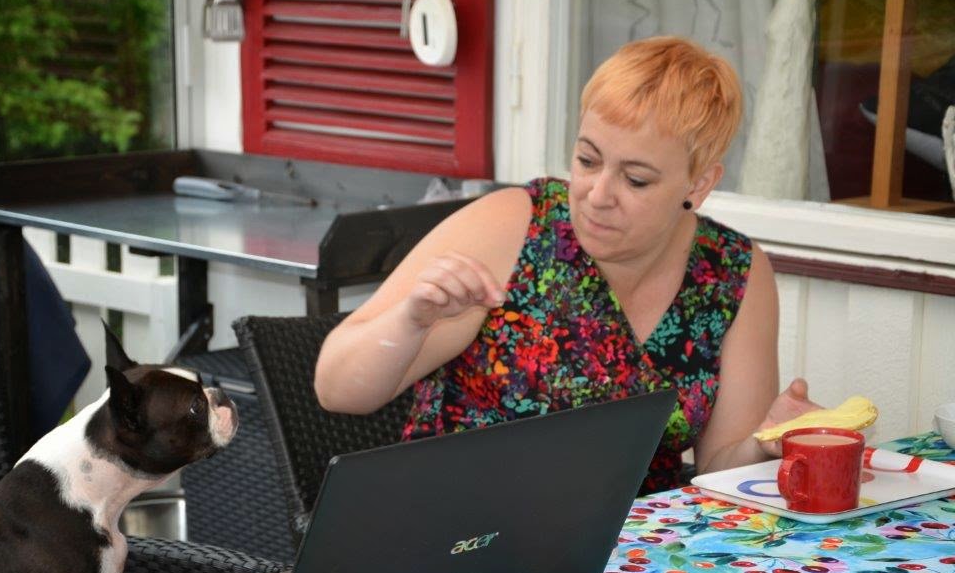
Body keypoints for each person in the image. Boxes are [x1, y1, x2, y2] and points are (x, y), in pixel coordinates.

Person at [314, 36, 819, 493]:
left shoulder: (732, 272)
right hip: (458, 530)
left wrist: (768, 442)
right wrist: (410, 322)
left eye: (636, 180)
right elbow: (336, 391)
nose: (597, 195)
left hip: (628, 547)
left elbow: (720, 476)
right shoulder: (514, 226)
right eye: (588, 160)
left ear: (699, 184)